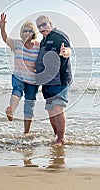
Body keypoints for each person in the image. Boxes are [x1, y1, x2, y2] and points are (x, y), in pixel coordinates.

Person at [0, 12, 40, 134]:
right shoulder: (17, 44)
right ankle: (11, 110)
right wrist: (2, 28)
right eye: (25, 30)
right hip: (19, 76)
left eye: (29, 31)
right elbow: (5, 38)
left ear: (33, 33)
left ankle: (26, 132)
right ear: (22, 32)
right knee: (17, 91)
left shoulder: (38, 46)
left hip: (33, 80)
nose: (27, 33)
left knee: (29, 105)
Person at [35, 15, 72, 146]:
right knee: (51, 111)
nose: (41, 28)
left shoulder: (58, 36)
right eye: (39, 26)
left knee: (58, 108)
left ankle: (61, 139)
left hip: (60, 80)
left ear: (50, 23)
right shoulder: (43, 41)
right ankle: (57, 136)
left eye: (44, 24)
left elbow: (68, 50)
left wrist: (65, 52)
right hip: (47, 82)